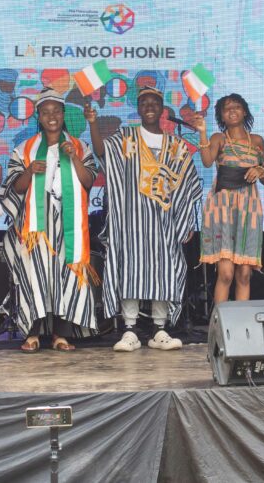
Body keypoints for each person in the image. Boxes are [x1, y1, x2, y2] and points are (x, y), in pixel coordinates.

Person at [86, 87, 202, 352]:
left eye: (154, 103)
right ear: (138, 109)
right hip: (131, 221)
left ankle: (159, 330)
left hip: (164, 222)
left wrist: (185, 221)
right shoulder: (126, 137)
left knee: (163, 271)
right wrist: (93, 123)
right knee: (131, 269)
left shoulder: (176, 145)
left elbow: (186, 184)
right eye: (144, 103)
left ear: (162, 109)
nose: (149, 107)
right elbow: (102, 151)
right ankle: (130, 330)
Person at [0, 90, 100, 352]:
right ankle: (32, 333)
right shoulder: (25, 148)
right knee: (36, 274)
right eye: (46, 112)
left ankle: (61, 335)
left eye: (56, 111)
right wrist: (29, 170)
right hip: (37, 224)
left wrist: (74, 157)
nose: (51, 116)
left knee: (68, 273)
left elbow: (88, 181)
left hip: (69, 221)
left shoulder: (79, 146)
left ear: (63, 114)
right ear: (39, 117)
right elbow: (15, 188)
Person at [192, 94, 264, 306]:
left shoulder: (256, 141)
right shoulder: (218, 138)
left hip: (248, 208)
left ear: (244, 111)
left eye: (236, 107)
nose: (232, 111)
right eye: (226, 108)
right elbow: (207, 161)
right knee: (226, 273)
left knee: (244, 274)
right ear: (221, 115)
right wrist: (202, 132)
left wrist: (260, 170)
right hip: (222, 208)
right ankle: (219, 323)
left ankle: (242, 323)